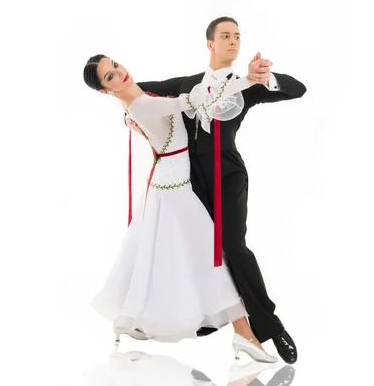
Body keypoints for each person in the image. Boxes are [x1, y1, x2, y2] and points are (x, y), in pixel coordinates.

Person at [125, 17, 307, 364]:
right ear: (210, 43)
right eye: (225, 36)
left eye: (237, 36)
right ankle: (211, 317)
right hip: (189, 179)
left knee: (233, 246)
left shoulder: (246, 85)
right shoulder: (186, 84)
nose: (233, 41)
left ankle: (270, 325)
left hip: (228, 173)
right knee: (195, 250)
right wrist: (128, 116)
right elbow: (137, 91)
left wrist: (267, 77)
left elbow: (297, 89)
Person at [83, 54, 278, 363]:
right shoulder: (143, 105)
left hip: (170, 182)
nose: (119, 74)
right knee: (212, 257)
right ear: (104, 91)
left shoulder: (137, 100)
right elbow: (201, 100)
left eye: (115, 66)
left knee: (158, 253)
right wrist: (248, 80)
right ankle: (244, 334)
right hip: (174, 190)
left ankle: (135, 319)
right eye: (109, 77)